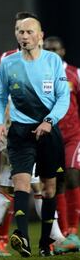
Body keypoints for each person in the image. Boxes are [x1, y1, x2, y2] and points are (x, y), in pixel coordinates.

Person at [0, 13, 77, 256]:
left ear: (40, 35)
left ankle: (47, 242)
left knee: (48, 188)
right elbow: (0, 95)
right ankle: (22, 236)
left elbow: (63, 97)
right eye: (20, 32)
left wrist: (48, 121)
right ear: (16, 34)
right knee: (20, 183)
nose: (24, 36)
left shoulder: (53, 62)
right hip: (19, 133)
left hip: (48, 132)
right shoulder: (8, 63)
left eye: (29, 31)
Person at [44, 36, 80, 246]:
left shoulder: (74, 74)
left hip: (73, 136)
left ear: (63, 51)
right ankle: (64, 232)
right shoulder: (42, 74)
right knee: (56, 183)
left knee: (72, 175)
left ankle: (74, 230)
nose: (52, 53)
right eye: (48, 50)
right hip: (52, 136)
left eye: (55, 49)